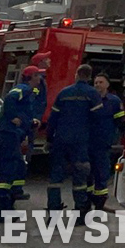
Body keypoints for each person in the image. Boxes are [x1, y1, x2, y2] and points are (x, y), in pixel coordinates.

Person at [46, 63, 101, 212]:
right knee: (80, 177)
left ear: (76, 74)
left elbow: (53, 118)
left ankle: (53, 209)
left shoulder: (64, 93)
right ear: (89, 77)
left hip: (61, 139)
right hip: (81, 141)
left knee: (55, 176)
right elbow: (98, 121)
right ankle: (80, 210)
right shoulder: (93, 94)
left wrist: (49, 138)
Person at [0, 66, 43, 210]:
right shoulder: (23, 89)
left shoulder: (29, 93)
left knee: (18, 164)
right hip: (7, 135)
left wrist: (31, 122)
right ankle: (0, 210)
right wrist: (12, 117)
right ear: (32, 76)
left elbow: (23, 114)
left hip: (13, 135)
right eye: (38, 75)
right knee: (7, 170)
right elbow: (10, 98)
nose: (41, 78)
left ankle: (14, 194)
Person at [87, 72, 125, 212]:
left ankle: (99, 203)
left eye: (101, 82)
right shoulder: (89, 99)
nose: (98, 84)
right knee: (87, 172)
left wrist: (120, 136)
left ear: (107, 85)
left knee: (101, 172)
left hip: (103, 142)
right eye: (96, 82)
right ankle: (87, 200)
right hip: (88, 141)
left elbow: (120, 121)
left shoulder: (114, 101)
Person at [19, 50, 51, 202]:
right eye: (47, 59)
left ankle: (18, 186)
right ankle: (17, 186)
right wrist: (35, 119)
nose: (49, 61)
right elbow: (35, 98)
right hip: (30, 123)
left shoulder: (39, 81)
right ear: (41, 63)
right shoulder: (38, 82)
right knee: (25, 153)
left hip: (30, 121)